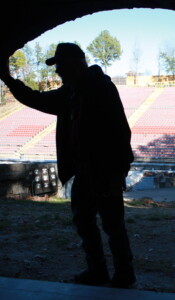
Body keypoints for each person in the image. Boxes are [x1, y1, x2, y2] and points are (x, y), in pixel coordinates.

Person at [0, 43, 136, 288]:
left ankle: (124, 275)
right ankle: (98, 272)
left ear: (75, 63)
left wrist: (117, 173)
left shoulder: (101, 88)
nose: (57, 71)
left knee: (112, 225)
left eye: (60, 65)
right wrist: (9, 80)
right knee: (84, 221)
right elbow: (36, 99)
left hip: (104, 170)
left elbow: (120, 132)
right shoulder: (71, 92)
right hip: (85, 170)